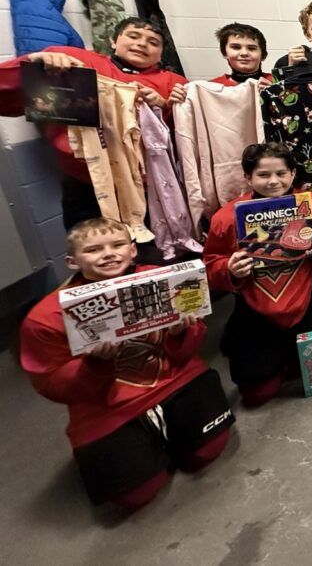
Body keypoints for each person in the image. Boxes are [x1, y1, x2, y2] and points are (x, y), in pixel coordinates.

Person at [19, 217, 234, 512]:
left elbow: (188, 352)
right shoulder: (45, 317)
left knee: (207, 452)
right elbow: (52, 383)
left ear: (133, 250)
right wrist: (93, 366)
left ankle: (164, 431)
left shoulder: (161, 279)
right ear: (71, 261)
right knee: (137, 494)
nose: (108, 253)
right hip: (106, 404)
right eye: (93, 250)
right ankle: (149, 439)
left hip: (173, 378)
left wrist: (182, 331)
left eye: (118, 245)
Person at [0, 17, 187, 229]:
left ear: (161, 54)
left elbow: (184, 141)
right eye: (133, 36)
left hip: (149, 184)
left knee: (151, 249)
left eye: (153, 42)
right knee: (95, 250)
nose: (142, 44)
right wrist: (35, 60)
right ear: (114, 41)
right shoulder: (74, 61)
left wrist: (164, 106)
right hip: (86, 183)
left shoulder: (174, 83)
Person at [203, 143, 312, 407]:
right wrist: (229, 269)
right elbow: (210, 265)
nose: (273, 181)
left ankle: (289, 356)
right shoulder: (226, 218)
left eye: (281, 173)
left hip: (306, 300)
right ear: (248, 177)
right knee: (256, 394)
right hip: (256, 307)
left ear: (293, 174)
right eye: (263, 175)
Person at [209, 22, 272, 87]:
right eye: (236, 47)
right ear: (224, 53)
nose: (244, 53)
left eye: (251, 48)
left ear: (263, 55)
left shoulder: (278, 82)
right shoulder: (212, 87)